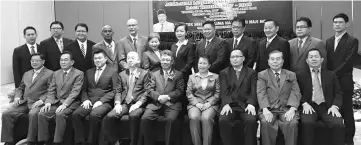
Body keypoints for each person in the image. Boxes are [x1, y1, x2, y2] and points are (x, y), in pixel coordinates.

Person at [1, 53, 53, 145]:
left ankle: (30, 139)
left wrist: (41, 100)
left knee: (33, 114)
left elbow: (51, 90)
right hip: (25, 102)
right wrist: (17, 97)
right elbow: (20, 88)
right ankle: (8, 140)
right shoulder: (27, 73)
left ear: (43, 61)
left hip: (39, 103)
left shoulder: (50, 73)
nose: (34, 62)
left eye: (37, 60)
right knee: (6, 114)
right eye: (32, 61)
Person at [296, 48, 344, 145]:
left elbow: (338, 93)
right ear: (307, 60)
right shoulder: (299, 75)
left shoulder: (331, 75)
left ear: (321, 60)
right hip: (309, 106)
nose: (314, 59)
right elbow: (296, 92)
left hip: (327, 107)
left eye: (316, 57)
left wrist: (335, 106)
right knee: (307, 123)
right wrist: (304, 103)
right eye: (311, 57)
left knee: (338, 124)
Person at [72, 49, 118, 145]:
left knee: (94, 115)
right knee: (76, 114)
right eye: (95, 58)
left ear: (105, 59)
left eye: (100, 58)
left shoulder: (113, 71)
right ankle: (80, 141)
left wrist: (101, 101)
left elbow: (115, 91)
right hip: (89, 101)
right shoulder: (89, 72)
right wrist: (85, 100)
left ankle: (92, 142)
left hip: (105, 103)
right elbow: (84, 89)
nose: (97, 60)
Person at [326, 13, 359, 145]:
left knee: (347, 112)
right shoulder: (328, 41)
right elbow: (327, 61)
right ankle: (336, 139)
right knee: (333, 110)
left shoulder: (352, 40)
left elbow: (349, 62)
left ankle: (349, 140)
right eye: (335, 22)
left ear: (346, 24)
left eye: (340, 22)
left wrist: (333, 75)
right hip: (330, 82)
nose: (337, 24)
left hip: (344, 81)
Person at [102, 51, 149, 145]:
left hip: (138, 104)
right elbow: (118, 90)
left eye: (132, 58)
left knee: (133, 116)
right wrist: (117, 103)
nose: (130, 60)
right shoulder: (122, 74)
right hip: (125, 103)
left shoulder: (145, 73)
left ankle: (134, 142)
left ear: (138, 60)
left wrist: (138, 104)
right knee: (110, 116)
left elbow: (147, 92)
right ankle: (115, 141)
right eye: (128, 58)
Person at [38, 51, 84, 145]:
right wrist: (48, 102)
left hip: (71, 103)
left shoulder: (79, 74)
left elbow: (75, 92)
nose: (63, 62)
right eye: (61, 60)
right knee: (42, 113)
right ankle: (44, 141)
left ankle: (57, 142)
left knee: (60, 114)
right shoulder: (56, 73)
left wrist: (65, 104)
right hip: (57, 101)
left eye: (66, 60)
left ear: (72, 62)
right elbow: (51, 90)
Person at [139, 50, 185, 145]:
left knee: (171, 120)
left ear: (172, 62)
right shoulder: (153, 74)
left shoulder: (178, 74)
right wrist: (159, 97)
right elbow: (149, 89)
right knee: (145, 119)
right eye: (163, 60)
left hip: (172, 104)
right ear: (160, 61)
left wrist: (168, 97)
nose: (165, 62)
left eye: (167, 60)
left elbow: (180, 90)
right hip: (156, 103)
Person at [257, 50, 301, 145]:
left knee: (292, 123)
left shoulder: (291, 75)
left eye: (278, 59)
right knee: (265, 122)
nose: (275, 61)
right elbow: (261, 93)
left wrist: (292, 109)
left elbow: (296, 92)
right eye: (272, 59)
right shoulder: (262, 75)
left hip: (286, 108)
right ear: (268, 61)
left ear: (282, 61)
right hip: (269, 109)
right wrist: (265, 109)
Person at [218, 50, 258, 145]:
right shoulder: (224, 72)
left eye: (237, 56)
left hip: (245, 105)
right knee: (223, 120)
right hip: (230, 105)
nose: (235, 59)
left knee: (251, 120)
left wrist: (251, 104)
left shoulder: (251, 72)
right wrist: (226, 103)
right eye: (232, 57)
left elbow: (254, 90)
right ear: (230, 59)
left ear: (243, 58)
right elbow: (224, 90)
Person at [187, 54, 220, 145]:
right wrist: (197, 104)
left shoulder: (216, 77)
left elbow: (217, 93)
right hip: (195, 104)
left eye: (204, 63)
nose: (201, 65)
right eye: (200, 63)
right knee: (194, 118)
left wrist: (209, 103)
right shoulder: (192, 77)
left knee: (206, 118)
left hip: (210, 104)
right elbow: (189, 93)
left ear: (209, 65)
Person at [171, 22, 195, 87]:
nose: (179, 33)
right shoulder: (173, 46)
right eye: (177, 31)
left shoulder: (190, 45)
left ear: (186, 32)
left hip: (185, 77)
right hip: (174, 76)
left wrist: (179, 73)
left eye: (181, 31)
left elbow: (190, 63)